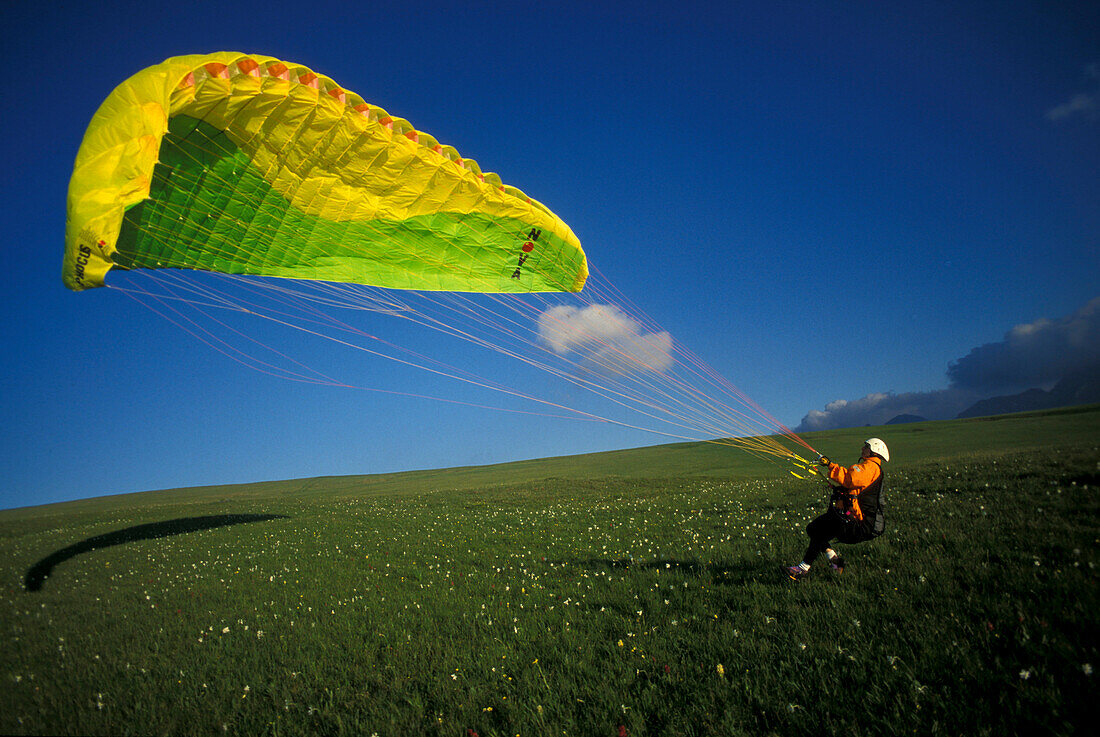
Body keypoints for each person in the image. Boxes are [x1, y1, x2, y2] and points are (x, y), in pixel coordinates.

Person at [787, 438, 889, 581]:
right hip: (855, 519)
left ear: (874, 450)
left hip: (861, 524)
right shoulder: (869, 467)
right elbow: (853, 486)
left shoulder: (871, 467)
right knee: (813, 528)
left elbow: (850, 479)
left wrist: (830, 465)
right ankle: (835, 561)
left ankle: (802, 569)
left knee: (818, 530)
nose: (862, 448)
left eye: (866, 446)